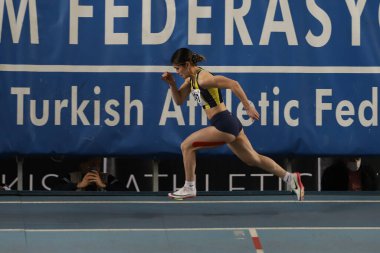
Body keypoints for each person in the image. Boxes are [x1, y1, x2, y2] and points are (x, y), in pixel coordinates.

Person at [161, 48, 304, 200]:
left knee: (186, 146)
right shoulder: (191, 80)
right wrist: (171, 83)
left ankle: (189, 187)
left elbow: (233, 84)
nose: (177, 72)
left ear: (188, 64)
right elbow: (179, 100)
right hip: (229, 122)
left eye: (178, 68)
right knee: (253, 159)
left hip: (224, 124)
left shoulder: (203, 78)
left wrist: (247, 106)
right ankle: (290, 178)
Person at [51, 157, 124, 191]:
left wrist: (104, 185)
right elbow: (54, 191)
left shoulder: (107, 177)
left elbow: (125, 192)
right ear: (81, 165)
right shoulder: (71, 177)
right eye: (90, 164)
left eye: (96, 164)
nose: (93, 168)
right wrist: (78, 185)